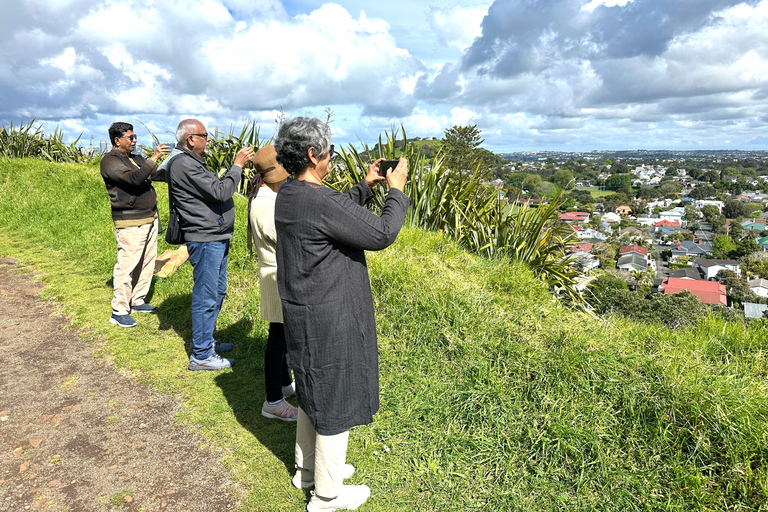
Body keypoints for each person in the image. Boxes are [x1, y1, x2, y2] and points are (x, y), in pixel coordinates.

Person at [274, 117, 409, 512]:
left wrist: (365, 187)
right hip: (331, 312)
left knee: (312, 389)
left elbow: (333, 215)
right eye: (329, 150)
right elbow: (381, 233)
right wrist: (395, 192)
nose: (331, 155)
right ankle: (327, 496)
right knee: (335, 396)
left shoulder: (290, 193)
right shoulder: (318, 200)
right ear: (314, 154)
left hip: (304, 308)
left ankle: (308, 470)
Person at [166, 119, 254, 371]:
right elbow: (220, 192)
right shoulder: (183, 163)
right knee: (206, 295)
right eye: (205, 135)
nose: (209, 140)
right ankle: (201, 354)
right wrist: (237, 166)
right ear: (191, 139)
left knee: (217, 291)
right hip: (205, 239)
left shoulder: (192, 162)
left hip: (215, 236)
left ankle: (206, 341)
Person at [100, 122, 169, 328]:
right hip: (130, 221)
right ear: (117, 140)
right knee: (127, 264)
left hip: (149, 217)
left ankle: (137, 299)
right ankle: (119, 310)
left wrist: (172, 164)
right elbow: (134, 180)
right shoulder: (110, 161)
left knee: (147, 261)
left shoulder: (136, 158)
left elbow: (154, 175)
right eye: (130, 137)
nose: (134, 140)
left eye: (135, 136)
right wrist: (154, 157)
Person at [247, 145, 298, 421]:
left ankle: (283, 384)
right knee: (278, 338)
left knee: (281, 335)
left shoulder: (268, 196)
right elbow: (285, 240)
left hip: (276, 274)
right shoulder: (265, 204)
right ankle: (273, 401)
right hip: (276, 275)